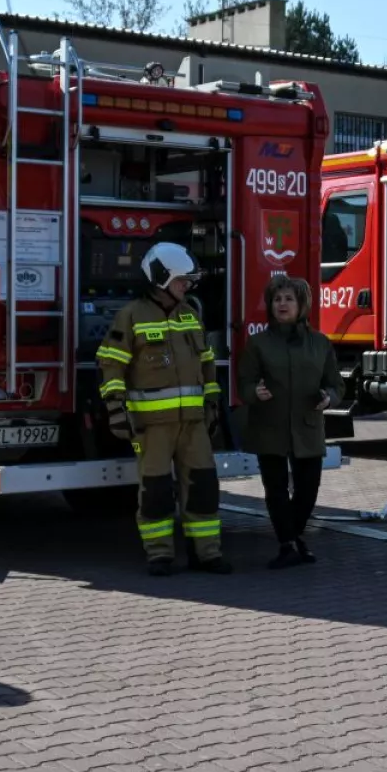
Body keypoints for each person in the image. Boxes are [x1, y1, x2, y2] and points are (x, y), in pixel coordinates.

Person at [97, 242, 230, 576]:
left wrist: (211, 402)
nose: (187, 286)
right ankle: (159, 554)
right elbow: (111, 365)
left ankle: (207, 554)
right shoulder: (131, 316)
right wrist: (116, 408)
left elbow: (207, 363)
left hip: (194, 425)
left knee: (203, 487)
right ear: (160, 278)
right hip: (152, 425)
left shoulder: (190, 315)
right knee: (155, 491)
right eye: (181, 281)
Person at [238, 274, 342, 568]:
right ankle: (288, 544)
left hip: (308, 429)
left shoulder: (320, 343)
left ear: (301, 305)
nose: (282, 304)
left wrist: (329, 398)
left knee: (308, 491)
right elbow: (243, 383)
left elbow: (336, 385)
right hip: (268, 427)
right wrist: (254, 392)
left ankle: (293, 537)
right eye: (277, 299)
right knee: (276, 490)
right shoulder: (258, 344)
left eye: (289, 299)